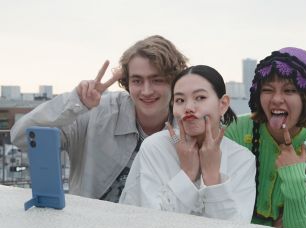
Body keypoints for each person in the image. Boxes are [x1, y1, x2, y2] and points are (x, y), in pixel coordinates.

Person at [10, 35, 188, 202]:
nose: (147, 91)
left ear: (174, 82)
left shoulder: (187, 129)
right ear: (127, 82)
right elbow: (20, 137)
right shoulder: (95, 113)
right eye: (137, 81)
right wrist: (75, 102)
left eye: (157, 80)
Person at [225, 47, 306, 228]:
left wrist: (294, 177)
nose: (276, 99)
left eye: (289, 90)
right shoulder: (235, 130)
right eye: (267, 89)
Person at [119, 65, 256, 222]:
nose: (189, 108)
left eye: (200, 98)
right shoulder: (155, 147)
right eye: (180, 100)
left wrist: (212, 177)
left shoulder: (242, 159)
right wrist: (187, 175)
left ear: (223, 104)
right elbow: (151, 222)